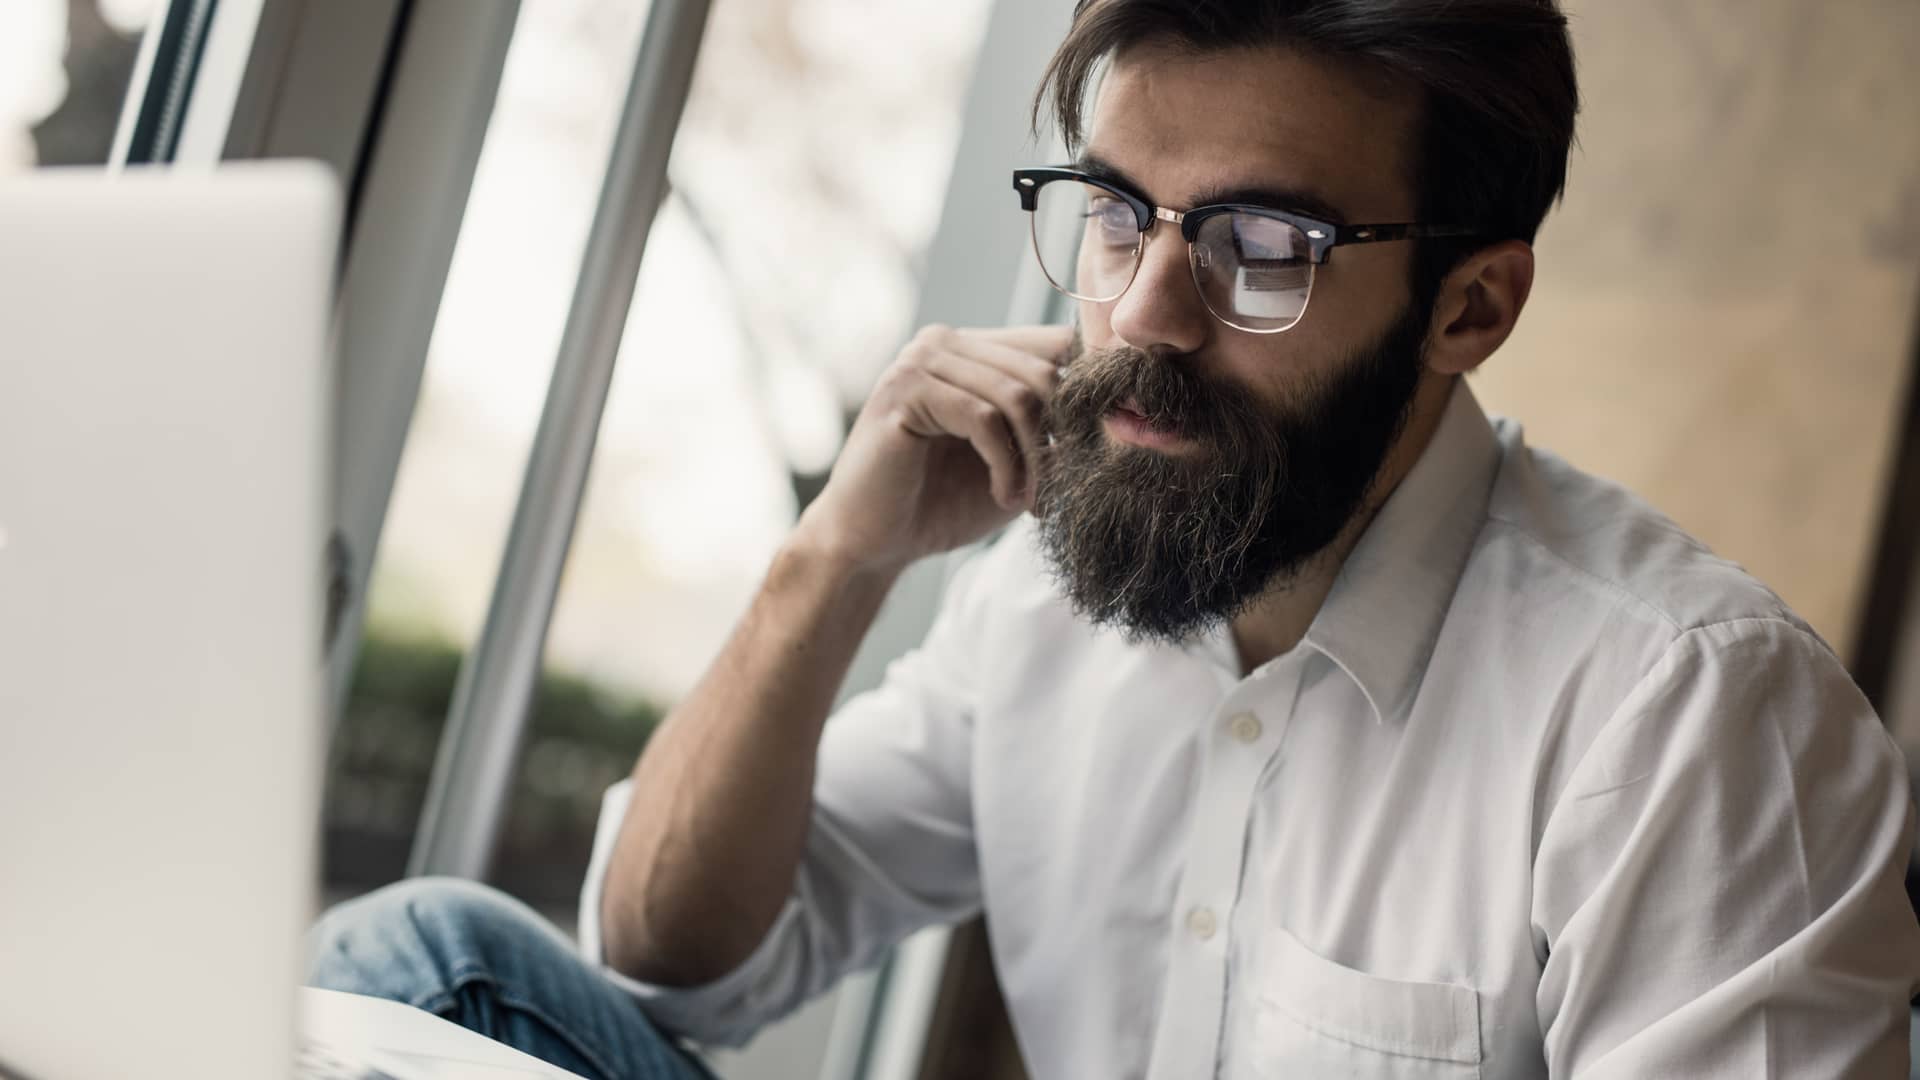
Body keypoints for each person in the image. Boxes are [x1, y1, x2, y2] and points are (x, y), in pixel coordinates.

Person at [309, 1, 1920, 1076]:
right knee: (432, 961)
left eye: (1262, 244)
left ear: (1471, 305)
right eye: (1116, 213)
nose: (1144, 316)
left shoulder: (1694, 717)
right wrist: (830, 568)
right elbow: (678, 961)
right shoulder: (1049, 592)